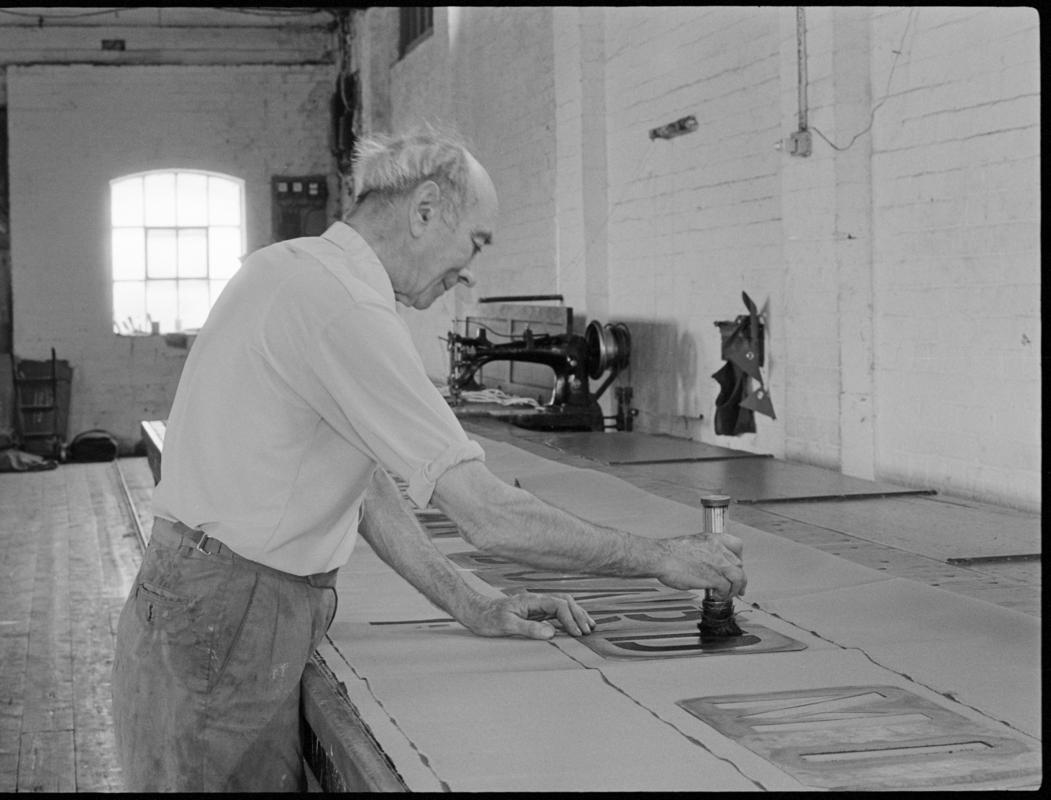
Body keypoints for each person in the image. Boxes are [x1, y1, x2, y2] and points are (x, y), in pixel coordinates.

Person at [111, 126, 748, 792]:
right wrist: (662, 558)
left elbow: (363, 485)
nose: (466, 273)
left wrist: (468, 601)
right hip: (231, 615)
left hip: (217, 601)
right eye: (473, 242)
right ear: (422, 211)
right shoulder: (342, 306)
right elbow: (487, 515)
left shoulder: (287, 267)